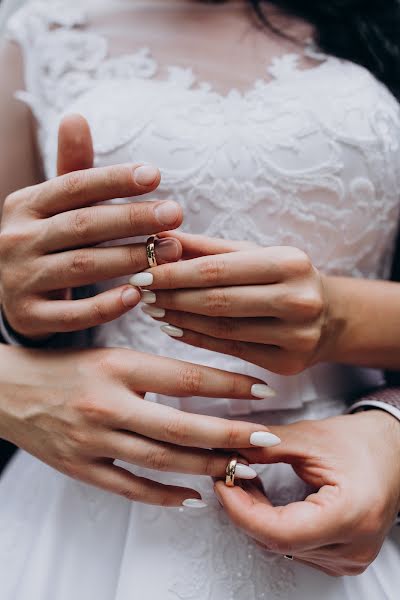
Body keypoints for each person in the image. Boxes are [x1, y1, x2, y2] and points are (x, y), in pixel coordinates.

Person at [0, 1, 400, 598]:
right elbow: (17, 286)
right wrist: (22, 322)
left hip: (346, 474)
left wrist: (390, 425)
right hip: (94, 487)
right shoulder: (42, 37)